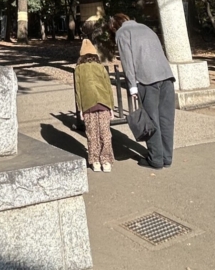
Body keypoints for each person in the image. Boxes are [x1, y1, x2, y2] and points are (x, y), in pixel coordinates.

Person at [115, 14, 175, 170]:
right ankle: (167, 158)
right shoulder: (147, 28)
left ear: (115, 25)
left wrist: (132, 86)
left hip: (146, 79)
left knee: (151, 120)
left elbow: (127, 61)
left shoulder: (122, 33)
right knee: (166, 119)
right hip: (166, 75)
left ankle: (155, 159)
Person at [74, 39, 115, 173]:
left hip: (88, 104)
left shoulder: (78, 69)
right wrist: (111, 107)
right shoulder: (101, 67)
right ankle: (106, 160)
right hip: (103, 102)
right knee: (105, 133)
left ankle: (95, 160)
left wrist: (80, 108)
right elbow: (108, 88)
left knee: (92, 134)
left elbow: (78, 90)